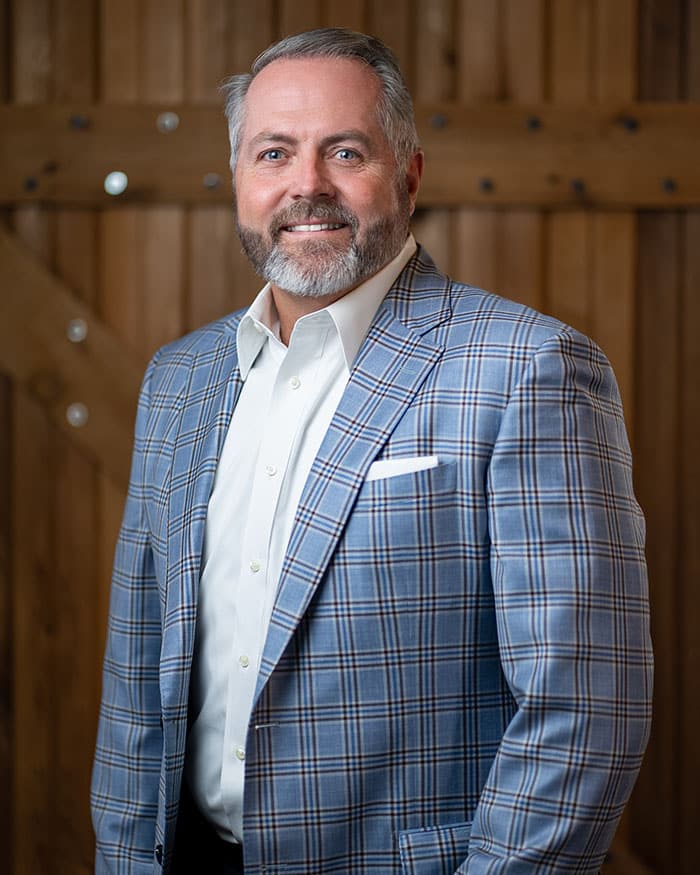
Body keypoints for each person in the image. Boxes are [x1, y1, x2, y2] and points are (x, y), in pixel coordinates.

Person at [91, 27, 653, 875]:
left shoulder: (526, 368)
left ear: (410, 174)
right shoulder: (179, 380)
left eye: (345, 151)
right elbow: (138, 676)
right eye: (273, 152)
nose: (305, 185)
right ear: (240, 177)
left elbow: (584, 704)